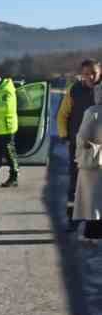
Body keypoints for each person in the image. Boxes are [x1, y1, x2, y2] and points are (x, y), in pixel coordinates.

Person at [57, 59, 101, 224]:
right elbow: (63, 115)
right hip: (79, 147)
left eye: (93, 73)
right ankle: (73, 219)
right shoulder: (74, 90)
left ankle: (94, 222)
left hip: (100, 147)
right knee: (75, 182)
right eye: (85, 74)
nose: (89, 77)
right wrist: (64, 135)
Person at [74, 82, 102, 244]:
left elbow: (82, 138)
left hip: (93, 163)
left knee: (93, 202)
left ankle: (92, 235)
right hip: (96, 163)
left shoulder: (92, 112)